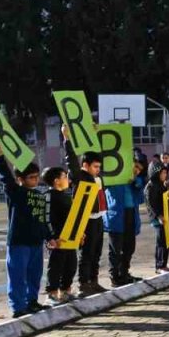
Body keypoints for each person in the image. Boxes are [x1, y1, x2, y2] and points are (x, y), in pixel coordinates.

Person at [0, 143, 57, 318]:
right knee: (17, 276)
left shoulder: (39, 196)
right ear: (20, 179)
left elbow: (43, 219)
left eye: (36, 177)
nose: (35, 180)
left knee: (34, 275)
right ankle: (18, 307)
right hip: (18, 242)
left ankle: (32, 302)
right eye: (30, 177)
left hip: (36, 242)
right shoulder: (16, 192)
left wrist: (49, 237)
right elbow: (6, 176)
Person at [62, 126, 106, 297]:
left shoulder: (97, 177)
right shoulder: (79, 176)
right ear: (85, 165)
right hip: (85, 219)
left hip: (98, 217)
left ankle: (94, 281)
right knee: (86, 252)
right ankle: (83, 284)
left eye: (99, 166)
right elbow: (71, 161)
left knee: (96, 251)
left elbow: (94, 153)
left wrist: (94, 135)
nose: (98, 169)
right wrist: (67, 139)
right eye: (95, 167)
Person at [104, 156, 146, 287]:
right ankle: (114, 276)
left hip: (131, 214)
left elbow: (140, 199)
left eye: (139, 169)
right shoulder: (114, 178)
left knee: (129, 247)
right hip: (116, 216)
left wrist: (135, 182)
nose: (137, 170)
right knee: (115, 249)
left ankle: (124, 273)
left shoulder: (135, 181)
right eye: (135, 167)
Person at [41, 166, 76, 305]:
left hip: (69, 238)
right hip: (57, 239)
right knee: (56, 265)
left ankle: (66, 291)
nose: (68, 179)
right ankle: (52, 293)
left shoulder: (66, 195)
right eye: (65, 177)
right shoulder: (49, 196)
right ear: (56, 181)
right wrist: (52, 237)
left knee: (71, 264)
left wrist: (78, 233)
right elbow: (47, 218)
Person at [144, 160, 169, 274]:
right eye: (163, 173)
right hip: (158, 219)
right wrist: (159, 216)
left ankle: (164, 264)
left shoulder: (162, 185)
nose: (165, 175)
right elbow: (151, 203)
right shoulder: (151, 186)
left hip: (165, 216)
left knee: (166, 241)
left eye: (166, 173)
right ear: (156, 173)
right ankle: (159, 265)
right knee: (161, 241)